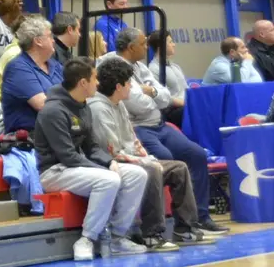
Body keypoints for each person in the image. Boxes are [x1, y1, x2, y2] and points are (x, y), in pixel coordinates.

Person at [86, 57, 218, 250]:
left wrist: (144, 155)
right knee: (152, 169)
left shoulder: (119, 104)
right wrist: (143, 160)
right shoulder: (98, 108)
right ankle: (152, 234)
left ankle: (185, 229)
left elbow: (133, 139)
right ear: (118, 86)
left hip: (130, 158)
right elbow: (112, 150)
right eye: (129, 83)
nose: (132, 86)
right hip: (112, 162)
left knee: (178, 168)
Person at [107, 28, 225, 233]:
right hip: (138, 127)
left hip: (159, 125)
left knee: (196, 154)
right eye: (143, 44)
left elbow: (164, 95)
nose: (146, 47)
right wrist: (155, 96)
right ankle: (156, 226)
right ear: (131, 47)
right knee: (166, 159)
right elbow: (136, 104)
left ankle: (199, 218)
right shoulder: (113, 64)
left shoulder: (141, 67)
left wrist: (151, 92)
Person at [34, 58, 149, 261]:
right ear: (83, 83)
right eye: (94, 78)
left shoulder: (83, 106)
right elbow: (67, 156)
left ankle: (116, 237)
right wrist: (104, 169)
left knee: (137, 174)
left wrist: (109, 162)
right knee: (109, 179)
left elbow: (92, 147)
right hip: (54, 172)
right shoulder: (52, 111)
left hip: (77, 168)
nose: (98, 83)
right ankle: (86, 239)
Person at [1, 16, 61, 135]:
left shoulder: (54, 64)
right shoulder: (18, 68)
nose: (53, 40)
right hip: (30, 137)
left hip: (57, 131)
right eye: (49, 36)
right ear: (38, 41)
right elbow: (43, 105)